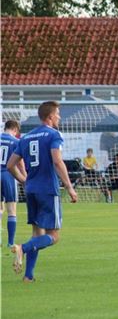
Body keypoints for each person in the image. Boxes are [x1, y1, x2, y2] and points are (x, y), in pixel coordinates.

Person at [7, 101, 78, 282]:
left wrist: (23, 180)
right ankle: (22, 247)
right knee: (53, 236)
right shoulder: (54, 135)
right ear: (50, 117)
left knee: (37, 232)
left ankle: (28, 276)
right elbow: (57, 160)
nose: (59, 117)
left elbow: (10, 165)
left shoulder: (26, 137)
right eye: (58, 114)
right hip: (48, 190)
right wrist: (69, 187)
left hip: (31, 190)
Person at [1, 121, 25, 248]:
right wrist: (25, 178)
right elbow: (20, 163)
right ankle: (10, 242)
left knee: (0, 209)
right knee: (11, 210)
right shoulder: (16, 142)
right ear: (15, 130)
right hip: (8, 174)